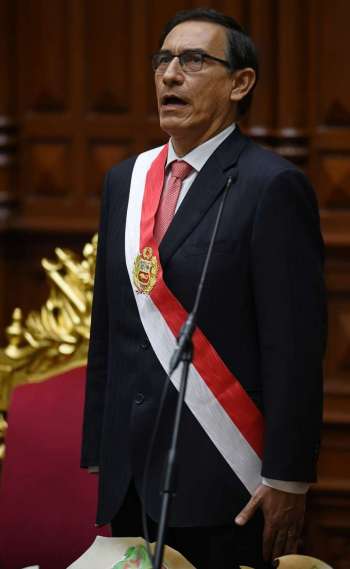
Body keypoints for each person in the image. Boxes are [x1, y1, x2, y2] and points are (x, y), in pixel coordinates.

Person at [81, 8, 326, 569]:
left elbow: (293, 346)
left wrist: (289, 476)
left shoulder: (273, 186)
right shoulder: (125, 180)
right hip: (132, 475)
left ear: (240, 83)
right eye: (163, 60)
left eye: (192, 60)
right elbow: (111, 327)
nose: (169, 75)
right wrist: (102, 450)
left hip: (222, 477)